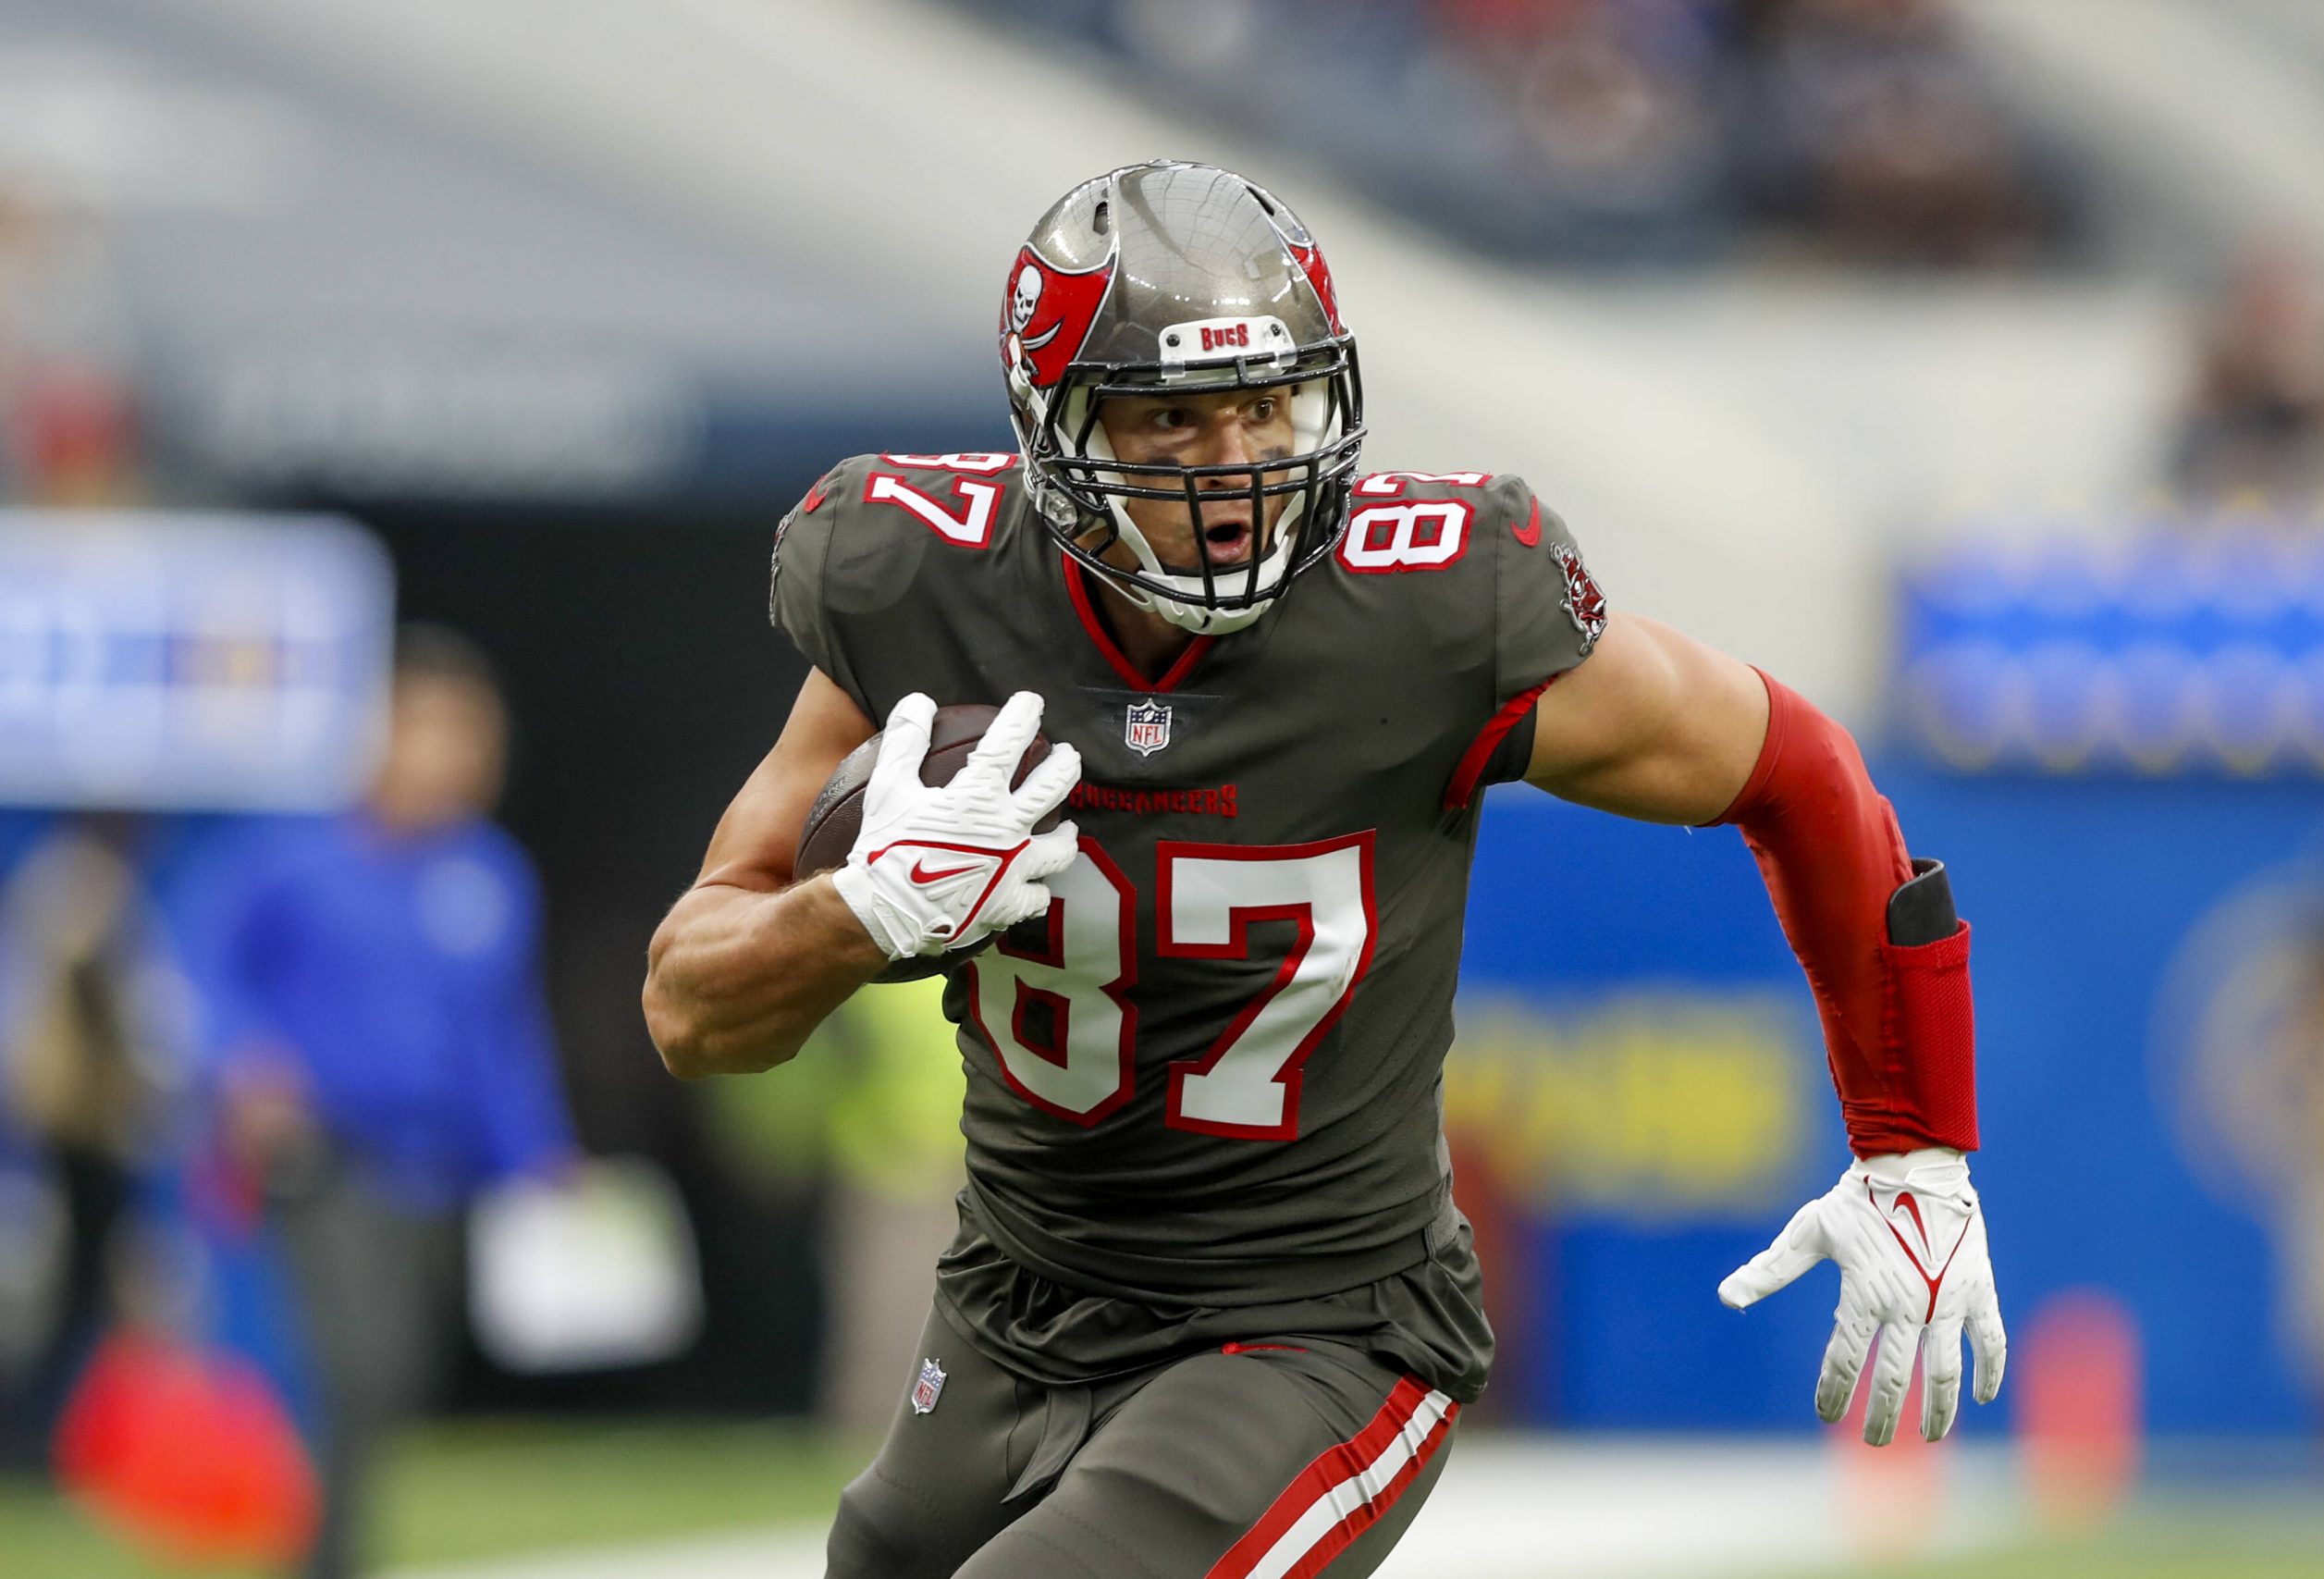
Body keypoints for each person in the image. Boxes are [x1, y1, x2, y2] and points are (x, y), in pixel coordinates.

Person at [645, 161, 2006, 1579]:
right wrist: (857, 911)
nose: (1233, 465)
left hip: (1319, 1328)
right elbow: (690, 1008)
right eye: (1171, 418)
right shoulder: (917, 584)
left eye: (1265, 406)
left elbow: (1798, 764)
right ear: (1054, 430)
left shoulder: (1433, 603)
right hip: (1013, 1304)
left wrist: (1914, 1137)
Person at [177, 625, 575, 1579]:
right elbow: (198, 967)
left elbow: (501, 1033)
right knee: (352, 1367)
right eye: (434, 727)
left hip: (434, 1167)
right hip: (322, 1156)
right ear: (379, 731)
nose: (458, 754)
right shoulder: (291, 856)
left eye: (476, 733)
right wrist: (244, 1064)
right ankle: (325, 1559)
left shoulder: (490, 876)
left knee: (395, 1374)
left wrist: (540, 1155)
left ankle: (326, 1544)